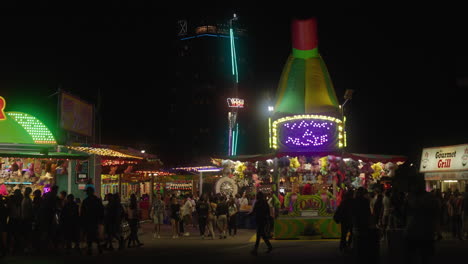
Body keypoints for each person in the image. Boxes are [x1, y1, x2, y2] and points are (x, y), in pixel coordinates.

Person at [404, 184, 438, 263]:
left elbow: (405, 213)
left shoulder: (410, 198)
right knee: (425, 256)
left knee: (411, 256)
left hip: (412, 230)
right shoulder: (431, 198)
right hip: (426, 231)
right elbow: (435, 215)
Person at [81, 186, 104, 255]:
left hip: (89, 220)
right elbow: (101, 210)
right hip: (94, 219)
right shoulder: (97, 200)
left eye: (87, 192)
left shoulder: (86, 201)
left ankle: (91, 249)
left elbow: (83, 212)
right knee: (94, 234)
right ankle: (98, 247)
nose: (87, 193)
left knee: (90, 234)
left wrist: (83, 219)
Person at [351, 187, 372, 263]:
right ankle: (363, 253)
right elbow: (368, 212)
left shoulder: (354, 201)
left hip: (357, 221)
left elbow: (352, 212)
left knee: (357, 235)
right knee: (363, 236)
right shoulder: (365, 201)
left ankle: (357, 252)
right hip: (364, 221)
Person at [250, 191, 273, 256]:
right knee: (262, 235)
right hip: (264, 220)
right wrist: (268, 218)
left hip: (259, 220)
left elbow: (254, 211)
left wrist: (248, 215)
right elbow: (268, 212)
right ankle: (269, 246)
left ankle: (255, 250)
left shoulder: (257, 203)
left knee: (259, 235)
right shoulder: (265, 202)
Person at [8, 189, 23, 255]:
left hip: (13, 219)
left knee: (12, 234)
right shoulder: (21, 201)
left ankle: (12, 249)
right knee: (17, 234)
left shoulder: (12, 201)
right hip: (18, 219)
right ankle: (16, 248)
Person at [21, 187, 34, 254]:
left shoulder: (24, 199)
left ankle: (25, 247)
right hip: (27, 218)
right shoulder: (27, 199)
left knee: (25, 233)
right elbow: (30, 209)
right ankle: (27, 248)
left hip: (24, 218)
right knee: (28, 233)